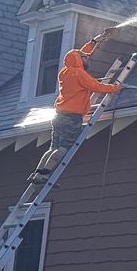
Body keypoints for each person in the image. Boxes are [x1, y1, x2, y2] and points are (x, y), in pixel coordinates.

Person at [30, 31, 120, 179]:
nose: (87, 57)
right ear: (79, 60)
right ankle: (45, 174)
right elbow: (97, 87)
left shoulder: (64, 72)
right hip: (72, 117)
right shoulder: (79, 73)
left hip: (59, 115)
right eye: (84, 57)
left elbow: (79, 55)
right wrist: (116, 88)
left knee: (53, 147)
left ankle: (37, 173)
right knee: (64, 147)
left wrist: (94, 41)